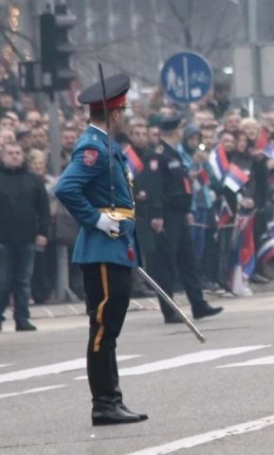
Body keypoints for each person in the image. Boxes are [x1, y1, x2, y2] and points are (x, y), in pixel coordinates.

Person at [54, 74, 147, 425]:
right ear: (116, 113)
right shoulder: (93, 147)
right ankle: (104, 403)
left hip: (115, 246)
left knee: (110, 328)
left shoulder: (106, 144)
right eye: (123, 110)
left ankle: (112, 399)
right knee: (104, 327)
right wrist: (94, 219)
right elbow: (66, 188)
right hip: (101, 247)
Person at [143, 113, 223, 324]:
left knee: (188, 260)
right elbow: (154, 186)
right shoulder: (158, 155)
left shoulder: (173, 154)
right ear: (177, 130)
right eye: (181, 129)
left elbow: (180, 184)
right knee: (166, 263)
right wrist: (157, 214)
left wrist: (187, 208)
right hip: (166, 215)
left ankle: (198, 304)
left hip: (179, 213)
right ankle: (169, 310)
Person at [0, 143, 49, 332]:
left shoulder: (33, 180)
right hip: (2, 239)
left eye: (18, 153)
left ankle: (22, 318)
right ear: (3, 156)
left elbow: (43, 209)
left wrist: (43, 232)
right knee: (2, 281)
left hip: (27, 239)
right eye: (10, 153)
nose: (14, 156)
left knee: (23, 281)